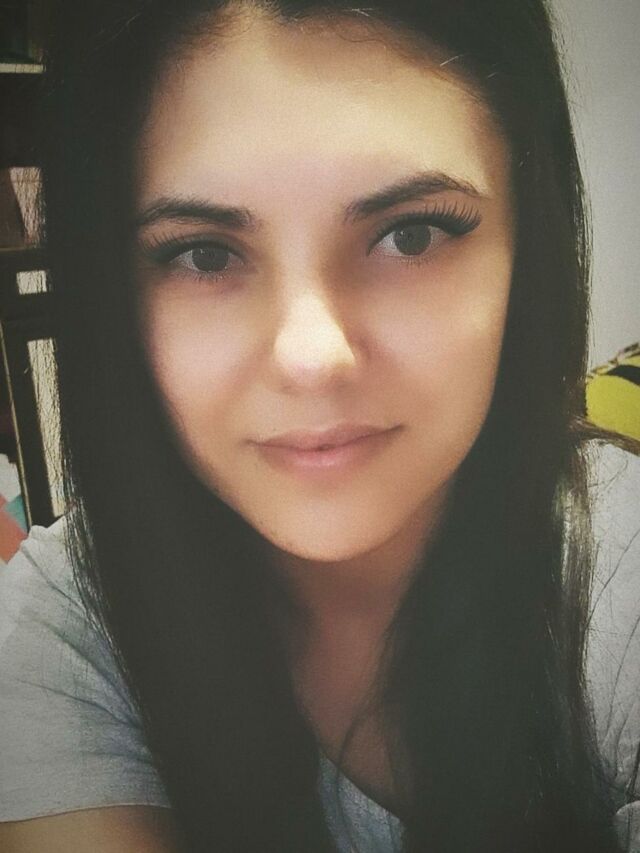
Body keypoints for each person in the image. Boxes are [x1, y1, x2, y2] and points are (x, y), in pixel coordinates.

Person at [0, 0, 639, 850]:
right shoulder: (67, 626)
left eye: (411, 235)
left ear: (530, 244)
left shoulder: (617, 582)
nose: (312, 356)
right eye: (204, 253)